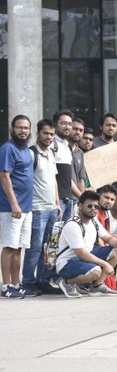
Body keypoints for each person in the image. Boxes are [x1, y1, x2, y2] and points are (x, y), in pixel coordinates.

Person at [56, 191, 117, 298]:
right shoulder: (73, 225)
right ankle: (67, 282)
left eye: (96, 207)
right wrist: (105, 264)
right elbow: (81, 254)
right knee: (96, 271)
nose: (93, 209)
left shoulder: (94, 222)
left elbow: (108, 238)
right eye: (89, 206)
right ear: (80, 206)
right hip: (67, 264)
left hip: (83, 259)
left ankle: (96, 286)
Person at [22, 119, 63, 296]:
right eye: (45, 133)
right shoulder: (31, 154)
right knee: (35, 247)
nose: (49, 137)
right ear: (38, 133)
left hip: (52, 209)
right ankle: (28, 282)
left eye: (52, 134)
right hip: (37, 209)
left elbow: (53, 181)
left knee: (49, 248)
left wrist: (58, 203)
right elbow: (24, 181)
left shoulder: (51, 154)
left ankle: (43, 280)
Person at [0, 115, 34, 299]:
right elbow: (4, 176)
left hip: (26, 208)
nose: (23, 131)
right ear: (12, 128)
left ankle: (15, 283)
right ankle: (5, 286)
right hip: (11, 208)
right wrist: (14, 203)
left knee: (19, 247)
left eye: (26, 128)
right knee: (9, 246)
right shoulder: (7, 148)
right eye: (19, 127)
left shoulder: (27, 150)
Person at [53, 111, 79, 221]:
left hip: (69, 199)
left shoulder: (67, 145)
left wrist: (80, 196)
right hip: (56, 200)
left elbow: (68, 179)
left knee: (65, 235)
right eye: (63, 123)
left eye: (69, 124)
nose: (67, 127)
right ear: (55, 124)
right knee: (53, 235)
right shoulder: (51, 143)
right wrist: (56, 201)